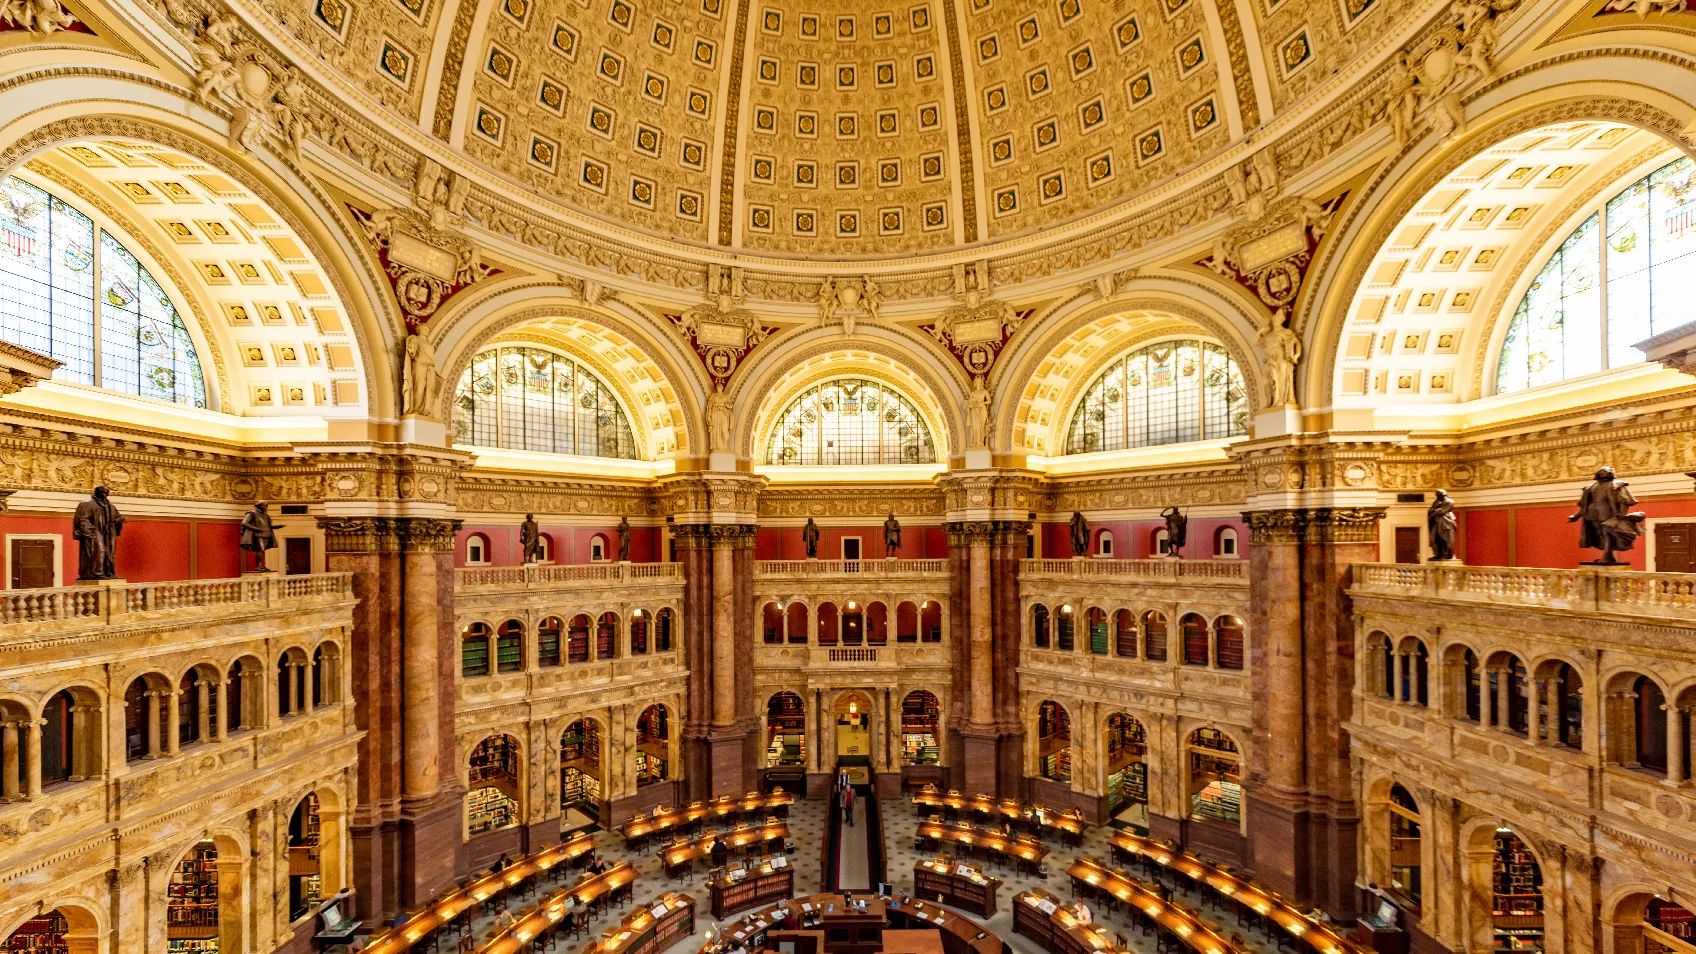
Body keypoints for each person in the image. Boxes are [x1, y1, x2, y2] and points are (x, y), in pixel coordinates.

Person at [1569, 465, 1645, 565]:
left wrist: (1621, 514)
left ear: (1610, 473)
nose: (1602, 473)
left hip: (1609, 514)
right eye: (1601, 471)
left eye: (1605, 471)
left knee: (1607, 533)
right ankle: (1608, 556)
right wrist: (1576, 516)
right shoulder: (1590, 488)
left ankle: (1607, 556)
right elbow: (1585, 505)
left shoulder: (1616, 485)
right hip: (1592, 515)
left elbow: (1624, 501)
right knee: (1600, 535)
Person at [73, 485, 125, 581]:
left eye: (106, 494)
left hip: (108, 533)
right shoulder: (88, 504)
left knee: (110, 552)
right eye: (103, 493)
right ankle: (96, 573)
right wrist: (87, 530)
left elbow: (116, 517)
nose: (105, 496)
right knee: (98, 551)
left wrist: (119, 521)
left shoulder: (110, 506)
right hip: (95, 531)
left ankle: (108, 573)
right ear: (96, 493)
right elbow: (83, 519)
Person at [239, 500, 282, 572]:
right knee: (260, 550)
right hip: (257, 535)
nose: (265, 507)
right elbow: (244, 523)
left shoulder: (266, 515)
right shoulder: (251, 513)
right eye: (264, 505)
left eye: (266, 506)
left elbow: (268, 526)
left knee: (263, 550)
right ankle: (258, 566)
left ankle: (261, 566)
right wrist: (256, 529)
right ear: (258, 506)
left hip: (266, 534)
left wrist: (276, 526)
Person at [1427, 490, 1458, 561]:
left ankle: (1446, 555)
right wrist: (1435, 510)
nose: (1437, 498)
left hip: (1446, 523)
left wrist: (1435, 511)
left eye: (1438, 496)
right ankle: (1438, 554)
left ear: (1443, 495)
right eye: (1437, 496)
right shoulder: (1437, 502)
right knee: (1434, 539)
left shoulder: (1449, 501)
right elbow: (1430, 511)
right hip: (1436, 523)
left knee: (1445, 539)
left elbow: (1442, 511)